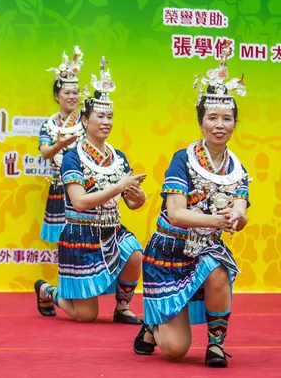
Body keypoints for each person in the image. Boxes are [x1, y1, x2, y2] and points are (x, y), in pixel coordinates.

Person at [133, 41, 250, 368]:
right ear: (201, 122)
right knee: (175, 350)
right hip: (169, 252)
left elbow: (241, 208)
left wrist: (236, 217)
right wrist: (218, 222)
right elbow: (176, 213)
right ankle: (153, 325)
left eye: (227, 118)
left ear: (234, 124)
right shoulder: (182, 160)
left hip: (205, 250)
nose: (219, 124)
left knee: (218, 268)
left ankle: (216, 343)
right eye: (212, 117)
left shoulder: (237, 168)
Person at [34, 57, 147, 324]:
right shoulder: (73, 157)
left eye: (110, 116)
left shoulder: (118, 156)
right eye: (100, 116)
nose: (106, 121)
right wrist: (119, 186)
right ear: (85, 121)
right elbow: (80, 202)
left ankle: (122, 307)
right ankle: (47, 291)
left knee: (134, 253)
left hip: (112, 229)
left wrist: (138, 198)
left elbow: (130, 204)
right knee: (86, 316)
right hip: (81, 236)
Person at [38, 46, 87, 254]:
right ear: (57, 96)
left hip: (84, 184)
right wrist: (59, 145)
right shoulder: (49, 124)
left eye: (75, 92)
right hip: (60, 185)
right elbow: (45, 152)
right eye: (67, 92)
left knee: (84, 235)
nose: (72, 96)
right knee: (63, 241)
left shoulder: (86, 121)